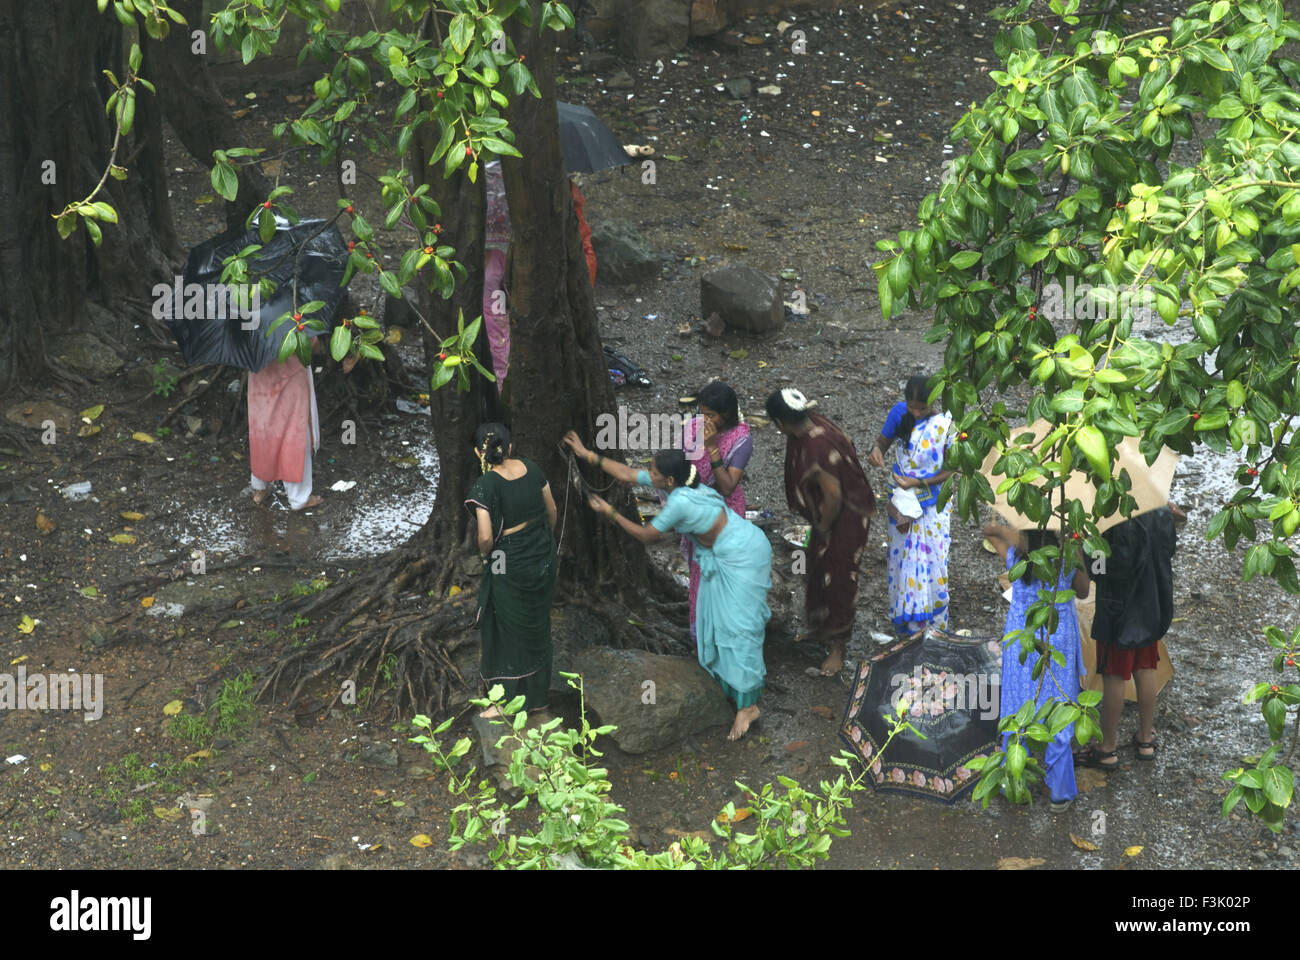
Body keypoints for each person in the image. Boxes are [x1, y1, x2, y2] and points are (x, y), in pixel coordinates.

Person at [562, 433, 771, 740]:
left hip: (744, 556)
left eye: (655, 472)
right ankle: (730, 687)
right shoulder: (683, 482)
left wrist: (610, 513)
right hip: (724, 553)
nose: (650, 474)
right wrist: (584, 453)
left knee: (740, 628)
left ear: (669, 479)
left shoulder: (680, 502)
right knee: (717, 620)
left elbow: (647, 535)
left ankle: (749, 706)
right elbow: (629, 474)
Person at [765, 388, 876, 676]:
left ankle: (838, 647)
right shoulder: (813, 423)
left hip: (845, 517)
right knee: (815, 568)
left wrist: (824, 526)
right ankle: (818, 627)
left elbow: (834, 496)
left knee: (839, 576)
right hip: (825, 517)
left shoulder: (818, 447)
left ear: (779, 422)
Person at [984, 523, 1090, 812]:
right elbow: (1083, 591)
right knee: (1059, 708)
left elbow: (988, 531)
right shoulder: (1066, 555)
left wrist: (1013, 535)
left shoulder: (1017, 556)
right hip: (1058, 639)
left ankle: (1013, 782)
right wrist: (1076, 545)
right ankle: (1060, 791)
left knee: (1017, 707)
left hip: (1022, 638)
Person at [464, 423, 559, 718]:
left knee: (508, 629)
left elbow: (485, 537)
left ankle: (507, 702)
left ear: (478, 452)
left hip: (509, 562)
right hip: (542, 553)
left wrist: (487, 557)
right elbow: (551, 512)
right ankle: (539, 698)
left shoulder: (486, 485)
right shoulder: (532, 469)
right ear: (510, 446)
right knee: (538, 624)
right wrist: (539, 545)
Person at [482, 162, 597, 392]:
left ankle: (503, 381)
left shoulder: (490, 188)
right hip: (526, 267)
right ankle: (506, 381)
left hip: (523, 267)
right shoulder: (554, 186)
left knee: (503, 323)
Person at [1078, 506, 1178, 768]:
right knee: (1145, 668)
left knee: (1114, 675)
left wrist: (1085, 546)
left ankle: (1107, 747)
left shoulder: (1111, 517)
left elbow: (1100, 570)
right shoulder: (1160, 510)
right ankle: (1145, 739)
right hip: (1151, 604)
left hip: (1119, 612)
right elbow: (1169, 550)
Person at [868, 376, 955, 637]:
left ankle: (933, 628)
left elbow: (951, 469)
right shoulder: (898, 414)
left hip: (932, 503)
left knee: (932, 562)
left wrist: (919, 481)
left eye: (923, 408)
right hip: (902, 500)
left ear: (934, 403)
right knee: (901, 559)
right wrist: (876, 451)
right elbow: (882, 443)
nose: (916, 412)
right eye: (912, 406)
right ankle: (906, 623)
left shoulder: (946, 425)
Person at [679, 381, 753, 645]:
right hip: (697, 513)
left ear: (727, 415)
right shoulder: (691, 428)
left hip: (724, 518)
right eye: (701, 412)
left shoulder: (740, 439)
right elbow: (679, 465)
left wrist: (711, 448)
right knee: (699, 575)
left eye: (711, 415)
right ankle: (702, 636)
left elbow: (727, 485)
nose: (704, 419)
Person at [248, 353, 322, 510]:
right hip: (292, 371)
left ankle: (261, 486)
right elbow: (311, 343)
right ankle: (298, 498)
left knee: (262, 429)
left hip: (259, 368)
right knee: (294, 431)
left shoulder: (248, 327)